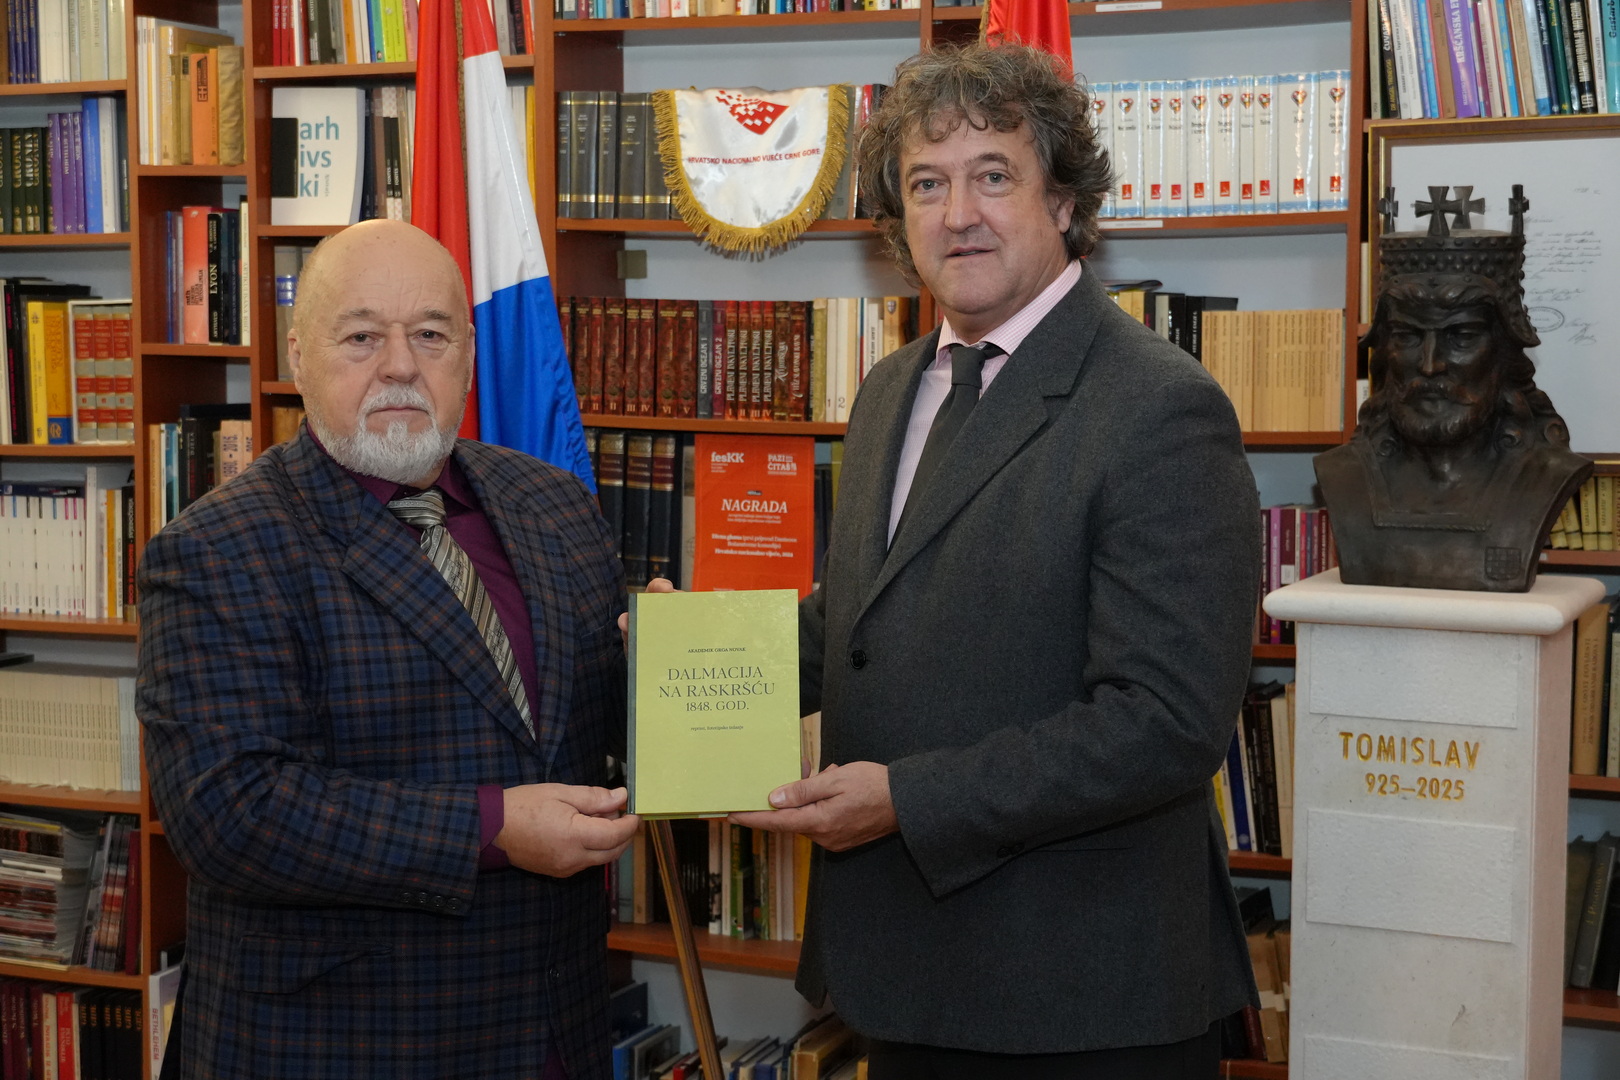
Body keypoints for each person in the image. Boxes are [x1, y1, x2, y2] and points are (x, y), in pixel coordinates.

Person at [731, 42, 1263, 1078]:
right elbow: (857, 629)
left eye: (992, 176)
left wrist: (908, 800)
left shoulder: (1161, 406)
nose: (958, 214)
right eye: (927, 184)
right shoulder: (890, 392)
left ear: (1062, 200)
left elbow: (1163, 723)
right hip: (903, 973)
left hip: (1079, 998)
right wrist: (684, 653)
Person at [137, 219, 638, 1080]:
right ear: (300, 356)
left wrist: (661, 670)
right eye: (363, 336)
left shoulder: (555, 505)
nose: (402, 365)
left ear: (468, 357)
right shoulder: (217, 549)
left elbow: (578, 728)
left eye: (431, 335)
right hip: (346, 1044)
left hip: (558, 1028)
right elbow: (231, 812)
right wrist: (493, 827)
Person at [1315, 188, 1589, 591]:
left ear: (1504, 352)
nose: (1430, 365)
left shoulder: (1546, 474)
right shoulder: (1344, 476)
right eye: (1407, 336)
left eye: (1461, 337)